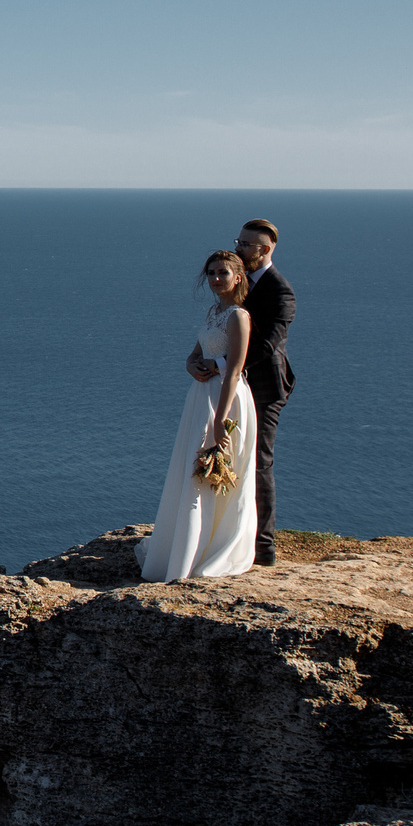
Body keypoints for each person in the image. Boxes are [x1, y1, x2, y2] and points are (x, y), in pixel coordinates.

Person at [140, 250, 261, 582]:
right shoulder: (214, 312)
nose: (215, 278)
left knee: (212, 472)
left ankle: (211, 548)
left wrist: (221, 419)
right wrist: (190, 365)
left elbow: (234, 370)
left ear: (238, 277)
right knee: (192, 469)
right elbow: (197, 353)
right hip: (201, 395)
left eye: (222, 272)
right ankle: (188, 547)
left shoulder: (238, 316)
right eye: (211, 273)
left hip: (226, 399)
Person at [188, 218, 295, 566]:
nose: (238, 248)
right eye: (239, 242)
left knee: (257, 459)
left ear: (264, 250)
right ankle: (217, 532)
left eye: (246, 245)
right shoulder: (231, 285)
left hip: (262, 386)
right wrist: (195, 363)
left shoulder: (280, 291)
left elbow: (267, 345)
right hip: (220, 383)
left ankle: (263, 547)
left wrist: (221, 366)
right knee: (218, 452)